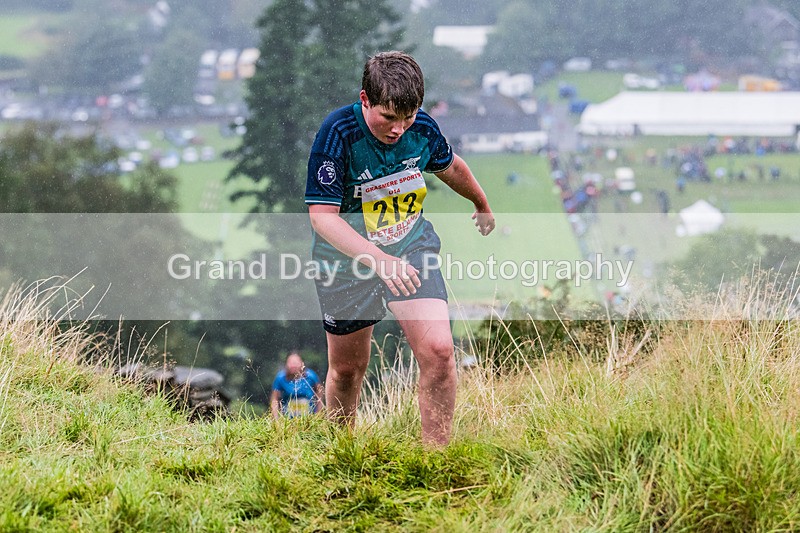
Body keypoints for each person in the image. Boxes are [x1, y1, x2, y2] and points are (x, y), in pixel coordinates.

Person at [304, 51, 495, 446]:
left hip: (410, 246)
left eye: (407, 117)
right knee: (349, 369)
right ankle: (342, 451)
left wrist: (481, 202)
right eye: (388, 117)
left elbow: (451, 166)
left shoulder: (420, 127)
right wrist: (378, 261)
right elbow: (323, 218)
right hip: (345, 263)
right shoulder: (337, 133)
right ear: (365, 100)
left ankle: (436, 459)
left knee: (440, 352)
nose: (398, 129)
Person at [270, 352, 324, 419]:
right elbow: (274, 399)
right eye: (291, 363)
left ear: (302, 363)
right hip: (287, 419)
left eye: (296, 363)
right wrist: (276, 418)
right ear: (286, 364)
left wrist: (318, 414)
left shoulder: (311, 376)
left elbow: (320, 394)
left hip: (309, 417)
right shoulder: (280, 378)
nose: (293, 366)